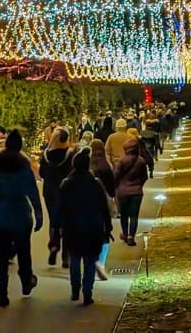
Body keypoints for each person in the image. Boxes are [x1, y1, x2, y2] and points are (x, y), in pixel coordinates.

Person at [0, 129, 43, 307]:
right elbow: (32, 192)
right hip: (20, 216)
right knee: (24, 253)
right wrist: (39, 214)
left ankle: (2, 292)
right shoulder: (24, 166)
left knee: (1, 255)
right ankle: (26, 282)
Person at [58, 148, 114, 306]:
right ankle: (87, 292)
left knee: (75, 259)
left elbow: (60, 207)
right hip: (92, 228)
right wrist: (107, 226)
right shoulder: (95, 184)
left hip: (72, 228)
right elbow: (104, 207)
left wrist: (57, 227)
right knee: (90, 261)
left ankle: (75, 289)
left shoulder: (66, 184)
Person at [39, 128, 75, 267]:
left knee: (54, 219)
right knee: (67, 222)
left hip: (50, 191)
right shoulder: (70, 155)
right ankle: (66, 256)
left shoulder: (46, 155)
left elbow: (42, 173)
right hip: (67, 191)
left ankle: (54, 245)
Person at [88, 137, 117, 281]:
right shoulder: (106, 166)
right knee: (105, 234)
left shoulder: (87, 165)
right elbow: (112, 187)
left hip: (87, 204)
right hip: (103, 204)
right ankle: (101, 262)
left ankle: (91, 260)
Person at [113, 137, 150, 246]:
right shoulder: (141, 161)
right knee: (134, 215)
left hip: (123, 192)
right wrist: (139, 185)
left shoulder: (122, 161)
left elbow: (116, 176)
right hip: (137, 192)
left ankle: (125, 233)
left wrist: (117, 186)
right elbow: (145, 177)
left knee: (124, 214)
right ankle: (131, 236)